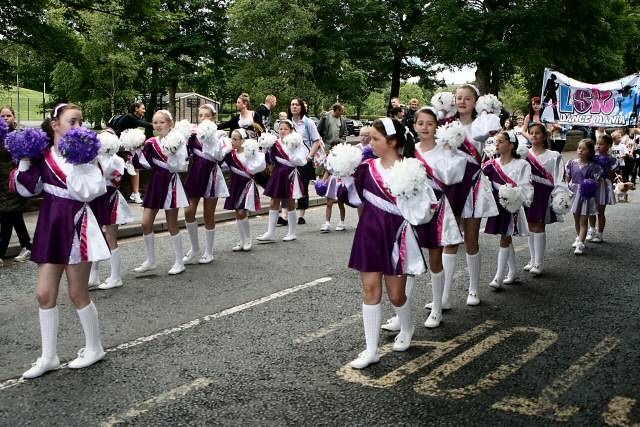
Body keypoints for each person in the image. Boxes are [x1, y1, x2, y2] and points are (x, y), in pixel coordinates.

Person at [15, 103, 110, 378]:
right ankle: (49, 356)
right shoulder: (43, 156)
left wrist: (80, 161)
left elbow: (91, 192)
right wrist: (23, 159)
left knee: (77, 293)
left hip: (77, 224)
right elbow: (27, 189)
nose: (78, 127)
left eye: (81, 121)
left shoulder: (88, 158)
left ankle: (95, 347)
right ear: (55, 124)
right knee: (44, 294)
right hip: (50, 224)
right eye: (72, 121)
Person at [348, 118, 436, 369]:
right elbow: (355, 199)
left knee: (396, 295)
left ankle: (407, 327)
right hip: (369, 234)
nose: (370, 143)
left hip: (396, 234)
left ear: (393, 141)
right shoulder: (366, 168)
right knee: (370, 291)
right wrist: (343, 180)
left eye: (376, 139)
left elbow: (423, 211)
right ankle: (371, 349)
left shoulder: (412, 169)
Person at [383, 107, 465, 330]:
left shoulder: (445, 150)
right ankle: (402, 315)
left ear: (436, 127)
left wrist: (449, 152)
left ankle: (438, 307)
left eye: (430, 123)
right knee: (407, 261)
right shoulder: (410, 150)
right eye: (421, 123)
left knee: (435, 261)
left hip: (436, 209)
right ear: (415, 125)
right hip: (412, 210)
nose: (425, 127)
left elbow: (452, 177)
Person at [439, 85, 498, 308]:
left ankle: (473, 289)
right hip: (451, 184)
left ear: (476, 101)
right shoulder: (446, 124)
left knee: (471, 241)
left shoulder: (481, 124)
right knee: (450, 240)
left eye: (467, 98)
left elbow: (490, 129)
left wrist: (486, 112)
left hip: (472, 183)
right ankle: (443, 295)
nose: (462, 102)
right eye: (459, 98)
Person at [132, 110, 189, 275]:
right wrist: (136, 150)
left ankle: (179, 261)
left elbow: (182, 165)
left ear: (170, 124)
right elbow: (145, 163)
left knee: (172, 224)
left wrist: (171, 153)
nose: (158, 125)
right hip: (156, 183)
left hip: (170, 182)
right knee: (145, 223)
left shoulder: (178, 141)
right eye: (155, 122)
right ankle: (151, 260)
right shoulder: (150, 142)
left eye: (161, 122)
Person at [482, 131, 533, 289]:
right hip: (498, 205)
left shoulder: (522, 164)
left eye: (501, 141)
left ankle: (498, 277)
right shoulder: (491, 164)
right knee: (506, 236)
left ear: (511, 145)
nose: (497, 144)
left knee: (504, 237)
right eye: (496, 141)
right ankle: (512, 273)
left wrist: (516, 198)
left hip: (512, 206)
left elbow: (526, 186)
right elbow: (483, 183)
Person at [182, 104, 229, 265]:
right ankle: (195, 248)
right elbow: (185, 155)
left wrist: (209, 139)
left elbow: (220, 155)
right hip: (195, 174)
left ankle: (209, 251)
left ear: (213, 118)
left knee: (208, 215)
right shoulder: (192, 134)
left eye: (206, 116)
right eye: (200, 115)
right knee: (188, 212)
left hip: (211, 175)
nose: (203, 118)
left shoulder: (220, 135)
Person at [88, 129, 135, 290]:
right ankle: (93, 276)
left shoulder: (117, 160)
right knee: (95, 238)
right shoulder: (97, 158)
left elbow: (110, 174)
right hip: (96, 200)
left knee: (110, 239)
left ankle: (116, 277)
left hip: (111, 200)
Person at [523, 123, 570, 274]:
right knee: (530, 227)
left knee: (539, 226)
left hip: (544, 194)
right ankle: (532, 259)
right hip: (529, 194)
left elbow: (559, 177)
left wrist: (559, 195)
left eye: (538, 133)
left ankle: (539, 262)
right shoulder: (524, 154)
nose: (534, 135)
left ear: (544, 136)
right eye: (531, 133)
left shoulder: (554, 155)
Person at [257, 120, 307, 242]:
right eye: (280, 129)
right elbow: (269, 158)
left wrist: (291, 152)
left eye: (285, 129)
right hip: (278, 174)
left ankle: (292, 232)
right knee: (274, 201)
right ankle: (270, 232)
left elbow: (302, 160)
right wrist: (264, 149)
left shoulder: (297, 142)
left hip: (289, 174)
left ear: (291, 130)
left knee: (290, 202)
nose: (282, 131)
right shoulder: (275, 142)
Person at [221, 129, 266, 251]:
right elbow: (221, 164)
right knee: (237, 212)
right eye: (232, 138)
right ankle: (242, 240)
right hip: (235, 184)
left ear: (243, 141)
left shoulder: (249, 153)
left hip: (246, 185)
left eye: (235, 139)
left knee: (242, 212)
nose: (232, 141)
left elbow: (259, 166)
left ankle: (248, 239)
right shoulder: (230, 154)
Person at [0, 106, 32, 266]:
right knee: (15, 217)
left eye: (8, 115)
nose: (5, 118)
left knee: (6, 216)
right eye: (2, 116)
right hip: (1, 183)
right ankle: (27, 246)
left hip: (13, 183)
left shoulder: (17, 136)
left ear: (14, 116)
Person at [111, 102, 154, 205]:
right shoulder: (129, 117)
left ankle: (135, 193)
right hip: (120, 147)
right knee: (133, 168)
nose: (144, 110)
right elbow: (146, 125)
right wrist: (159, 125)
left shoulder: (135, 118)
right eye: (142, 108)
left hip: (128, 147)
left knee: (135, 168)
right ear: (136, 109)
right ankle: (134, 194)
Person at [287, 97, 323, 224]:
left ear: (302, 107)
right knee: (288, 186)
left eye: (297, 105)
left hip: (304, 160)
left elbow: (316, 140)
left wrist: (309, 156)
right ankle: (285, 215)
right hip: (289, 160)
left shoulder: (308, 123)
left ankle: (301, 215)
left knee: (303, 186)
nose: (294, 107)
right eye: (292, 104)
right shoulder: (288, 123)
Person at [565, 139, 603, 255]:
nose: (580, 150)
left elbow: (597, 182)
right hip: (574, 194)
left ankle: (581, 243)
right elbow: (568, 177)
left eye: (584, 149)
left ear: (590, 152)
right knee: (576, 219)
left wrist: (590, 184)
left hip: (586, 196)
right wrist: (566, 187)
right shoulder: (571, 163)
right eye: (579, 148)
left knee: (583, 220)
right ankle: (578, 237)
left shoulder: (593, 167)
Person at [587, 134, 617, 243]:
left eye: (601, 144)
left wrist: (605, 170)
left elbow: (612, 175)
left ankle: (600, 234)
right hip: (591, 184)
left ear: (609, 145)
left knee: (600, 211)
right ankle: (592, 230)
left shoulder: (612, 159)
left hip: (603, 185)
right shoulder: (593, 157)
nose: (598, 146)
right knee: (590, 208)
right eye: (597, 144)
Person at [319, 138, 348, 233]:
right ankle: (327, 223)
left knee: (340, 202)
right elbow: (327, 171)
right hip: (332, 180)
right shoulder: (328, 157)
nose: (334, 148)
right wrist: (322, 182)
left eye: (337, 146)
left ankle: (342, 222)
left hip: (341, 180)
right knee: (329, 203)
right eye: (333, 147)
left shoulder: (345, 158)